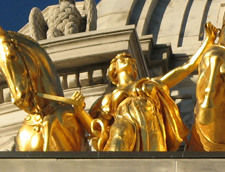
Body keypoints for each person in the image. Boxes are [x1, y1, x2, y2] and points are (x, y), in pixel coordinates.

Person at [78, 22, 217, 151]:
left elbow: (186, 68)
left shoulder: (149, 84)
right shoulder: (109, 98)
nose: (127, 60)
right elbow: (95, 128)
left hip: (151, 126)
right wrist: (79, 111)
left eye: (131, 61)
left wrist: (208, 42)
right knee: (118, 139)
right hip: (123, 122)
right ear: (113, 70)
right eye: (121, 60)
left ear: (135, 70)